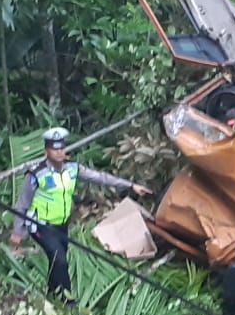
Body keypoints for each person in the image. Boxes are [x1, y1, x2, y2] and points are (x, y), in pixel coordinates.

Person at [9, 127, 151, 302]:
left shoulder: (73, 169)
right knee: (58, 257)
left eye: (62, 148)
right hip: (40, 225)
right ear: (46, 151)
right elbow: (22, 203)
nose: (59, 152)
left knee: (58, 260)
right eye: (55, 148)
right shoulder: (36, 174)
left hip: (61, 224)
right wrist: (17, 232)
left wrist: (130, 185)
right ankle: (68, 302)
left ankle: (52, 295)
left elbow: (101, 178)